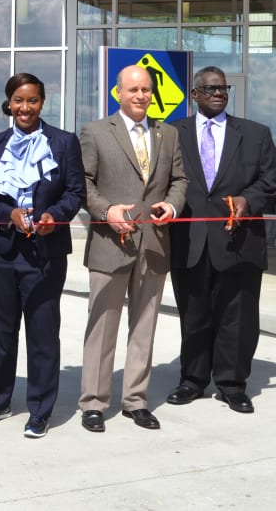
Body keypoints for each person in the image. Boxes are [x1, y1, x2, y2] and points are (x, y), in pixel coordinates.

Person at [0, 73, 85, 439]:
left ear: (42, 102)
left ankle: (40, 409)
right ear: (9, 103)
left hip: (45, 251)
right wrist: (9, 215)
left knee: (42, 333)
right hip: (2, 251)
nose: (25, 108)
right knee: (3, 332)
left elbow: (75, 191)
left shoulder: (64, 143)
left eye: (32, 100)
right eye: (18, 100)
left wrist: (56, 215)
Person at [78, 64, 187, 432]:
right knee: (102, 326)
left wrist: (171, 206)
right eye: (133, 90)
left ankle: (135, 400)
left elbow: (179, 180)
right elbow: (84, 183)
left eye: (146, 90)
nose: (140, 96)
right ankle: (94, 402)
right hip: (111, 244)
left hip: (154, 244)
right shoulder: (95, 131)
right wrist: (106, 211)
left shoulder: (167, 133)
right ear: (119, 92)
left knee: (145, 326)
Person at [167, 67, 276, 413]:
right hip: (190, 239)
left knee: (238, 316)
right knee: (194, 314)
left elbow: (269, 182)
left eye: (223, 88)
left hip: (240, 241)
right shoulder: (172, 133)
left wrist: (249, 200)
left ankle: (232, 384)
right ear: (195, 94)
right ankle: (193, 380)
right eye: (210, 89)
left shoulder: (257, 134)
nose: (218, 93)